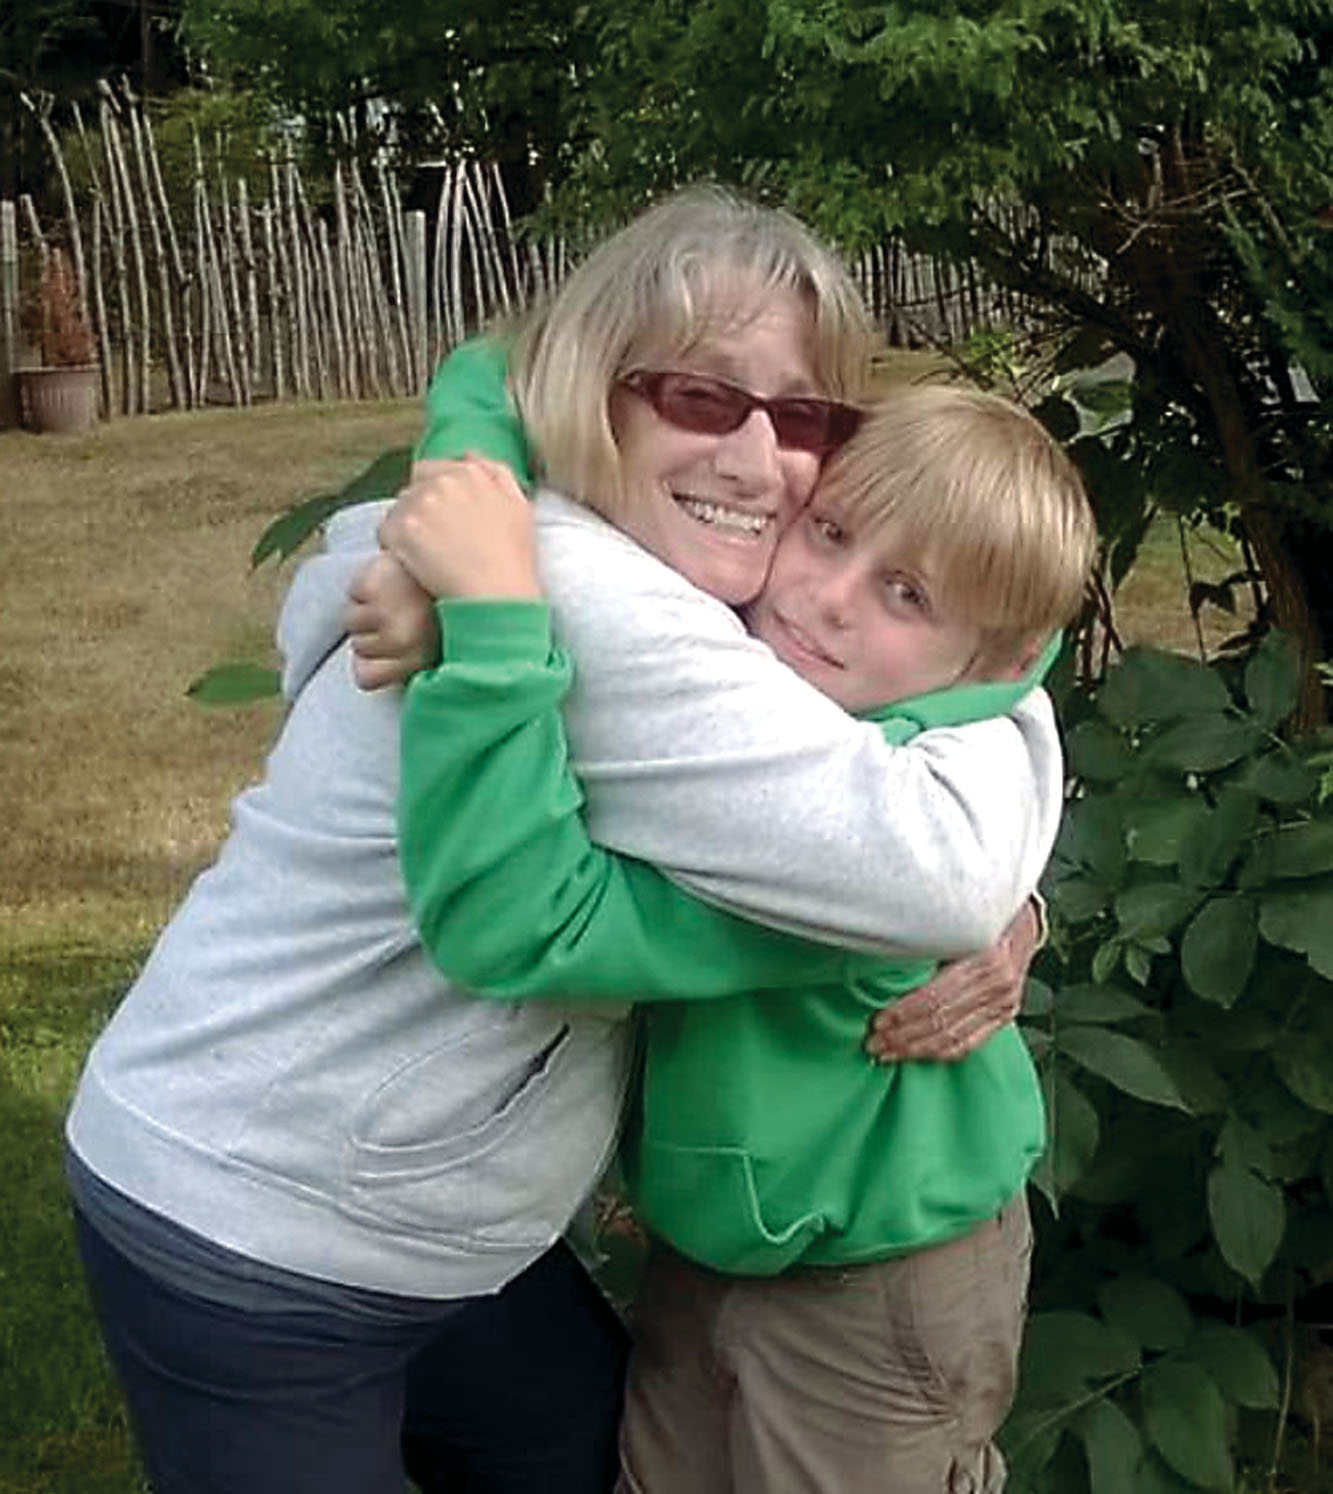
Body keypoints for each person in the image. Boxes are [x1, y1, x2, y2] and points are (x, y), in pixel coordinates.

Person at [64, 187, 1051, 1494]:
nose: (759, 461)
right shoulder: (588, 601)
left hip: (440, 1222)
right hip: (255, 1216)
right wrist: (981, 890)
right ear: (585, 390)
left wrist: (1017, 911)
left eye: (804, 416)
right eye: (702, 398)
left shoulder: (583, 554)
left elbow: (959, 654)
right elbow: (931, 859)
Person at [353, 381, 1095, 1493]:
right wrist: (443, 552)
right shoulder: (762, 693)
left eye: (904, 593)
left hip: (882, 1279)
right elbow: (495, 372)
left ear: (993, 658)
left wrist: (488, 617)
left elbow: (534, 925)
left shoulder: (893, 830)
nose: (827, 598)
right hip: (713, 1250)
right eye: (829, 532)